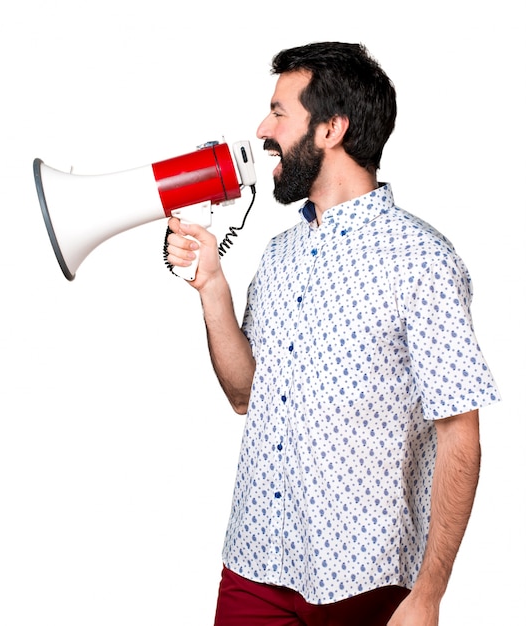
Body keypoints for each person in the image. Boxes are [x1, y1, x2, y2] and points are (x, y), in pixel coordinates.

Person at [165, 42, 500, 626]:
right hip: (255, 563)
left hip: (365, 581)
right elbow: (246, 395)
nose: (261, 128)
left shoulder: (421, 258)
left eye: (278, 111)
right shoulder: (279, 254)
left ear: (331, 129)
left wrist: (428, 596)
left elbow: (460, 435)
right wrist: (213, 289)